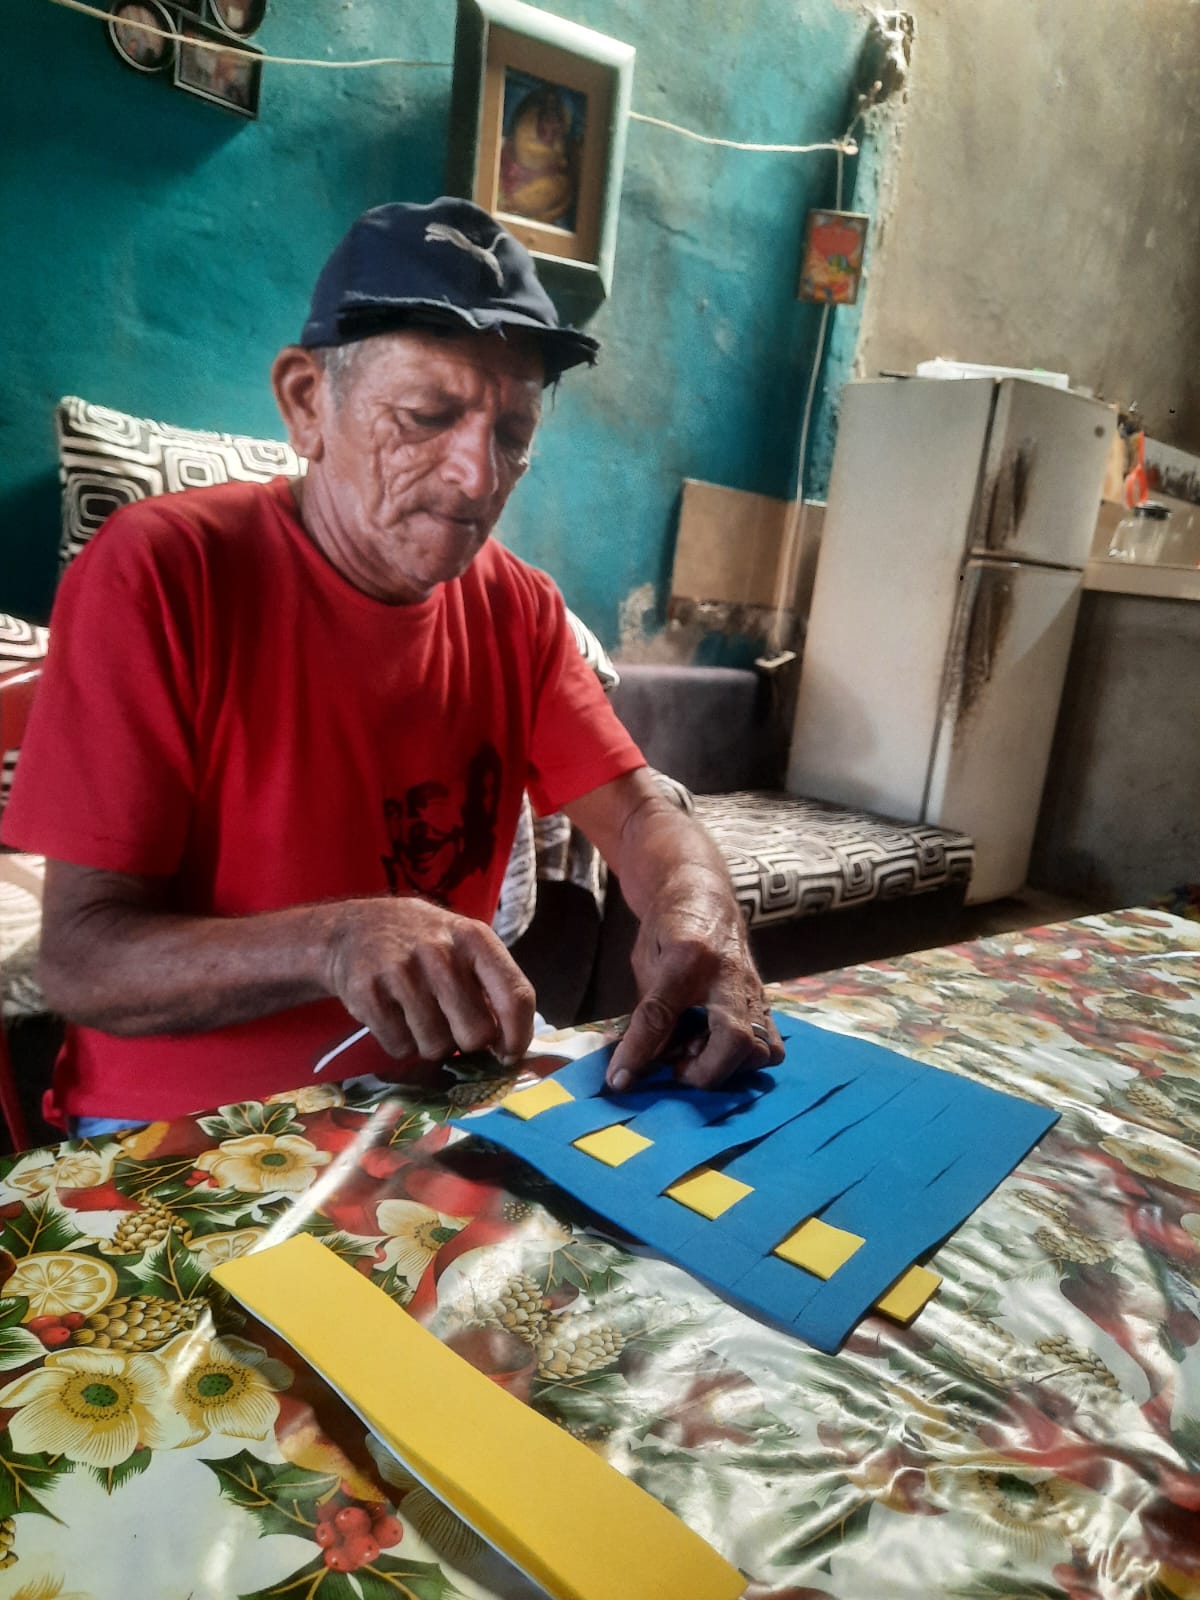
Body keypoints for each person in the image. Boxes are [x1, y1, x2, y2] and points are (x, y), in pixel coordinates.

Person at [2, 197, 784, 1134]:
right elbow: (81, 959)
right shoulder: (162, 571)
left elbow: (640, 811)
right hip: (185, 1131)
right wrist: (336, 941)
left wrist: (701, 904)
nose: (477, 476)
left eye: (513, 434)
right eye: (427, 415)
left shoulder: (519, 606)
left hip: (432, 1102)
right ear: (307, 403)